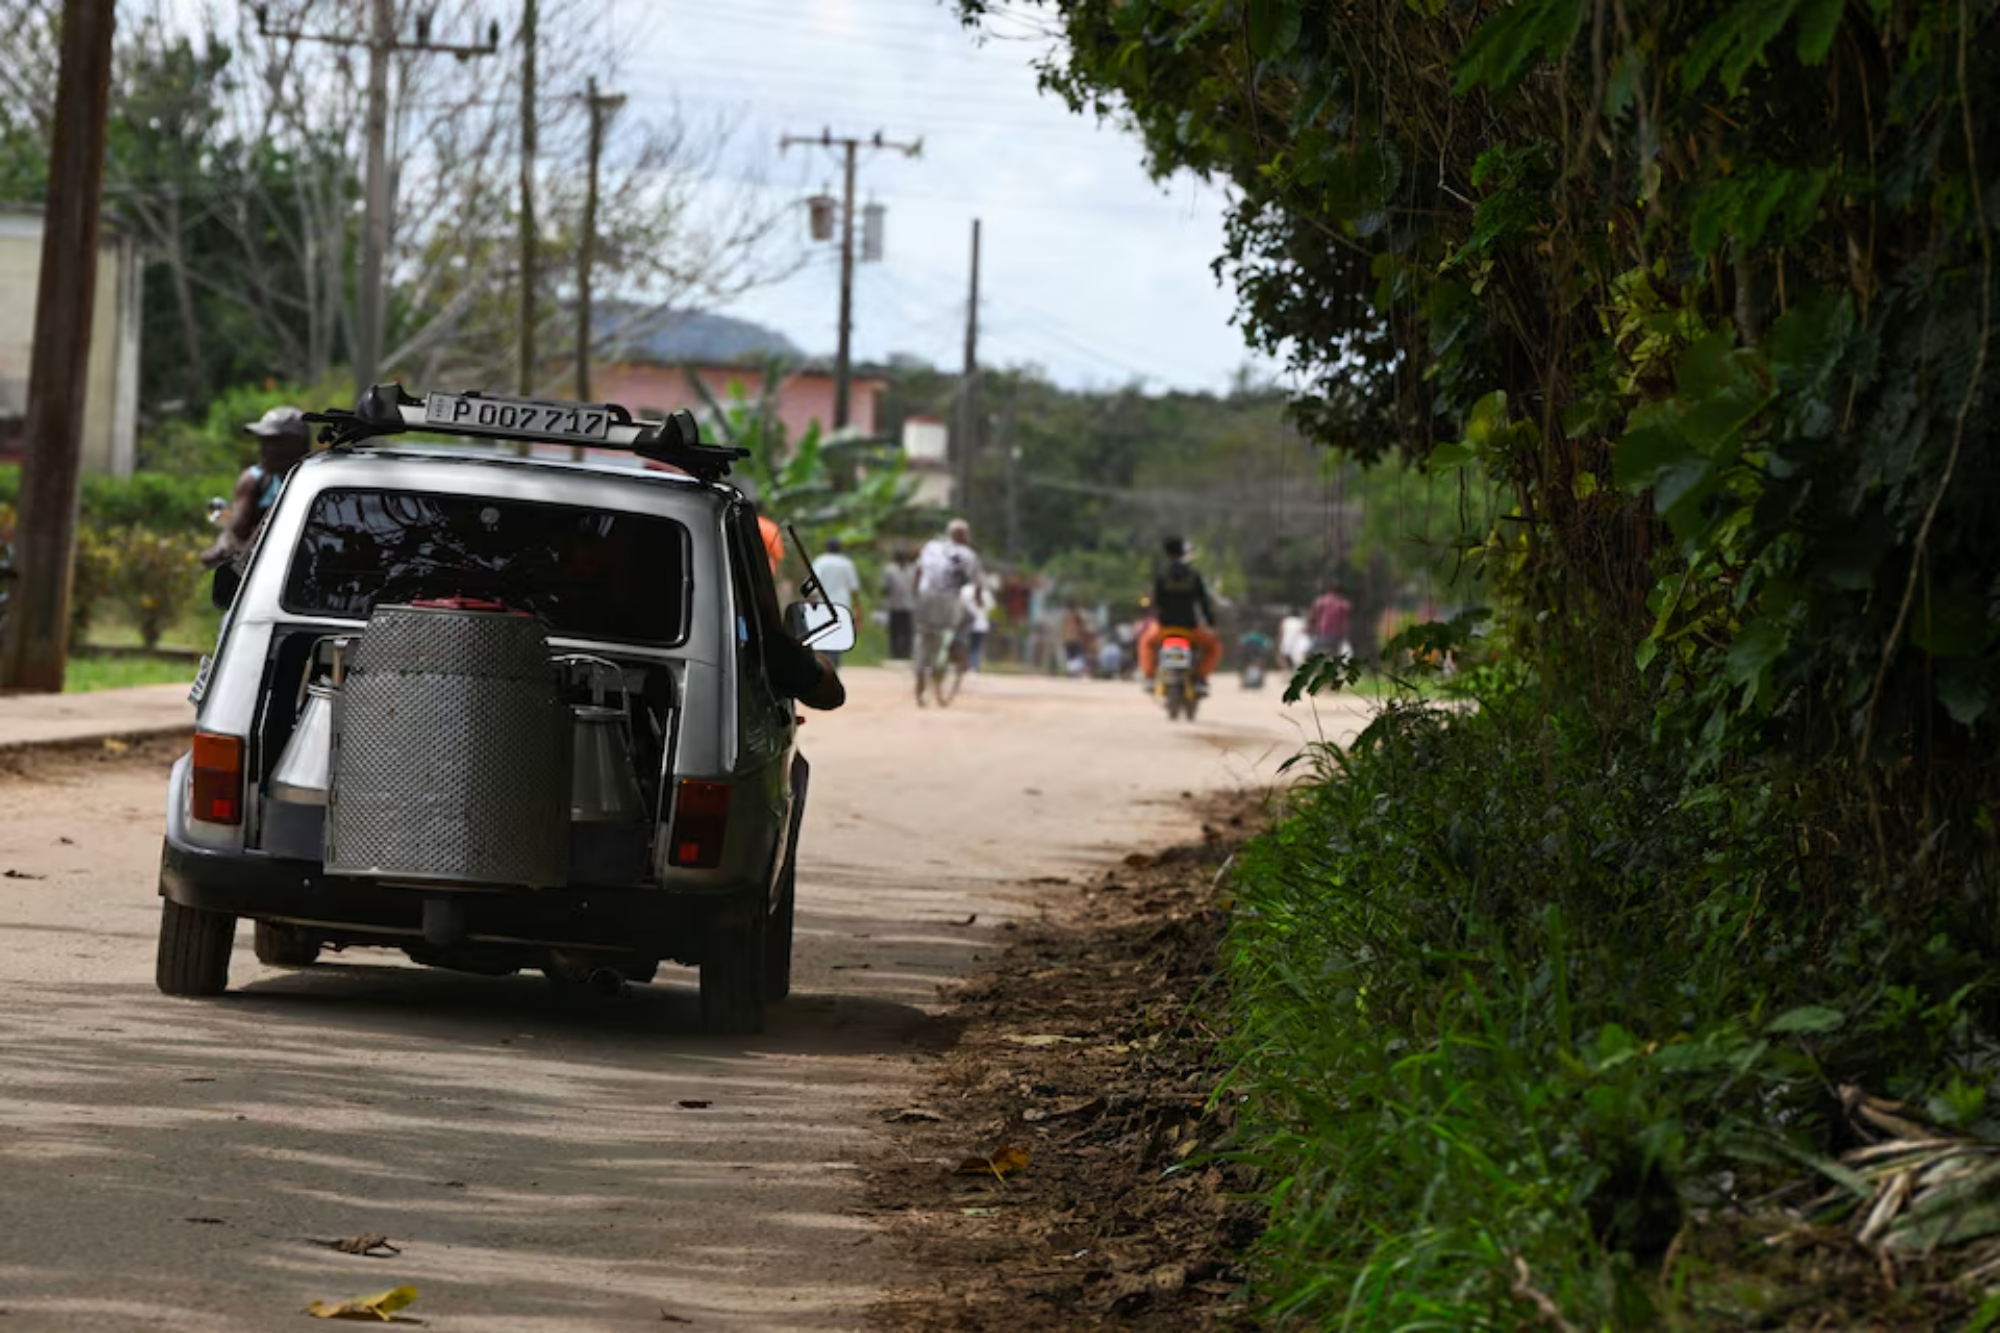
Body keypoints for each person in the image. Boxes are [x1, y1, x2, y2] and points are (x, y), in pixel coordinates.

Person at [201, 405, 313, 603]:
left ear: (296, 445)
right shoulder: (255, 480)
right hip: (261, 584)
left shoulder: (318, 481)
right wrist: (221, 548)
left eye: (273, 443)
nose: (263, 450)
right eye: (263, 442)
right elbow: (236, 530)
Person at [911, 517, 985, 705]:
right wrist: (978, 599)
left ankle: (920, 669)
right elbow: (978, 584)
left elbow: (918, 572)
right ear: (965, 536)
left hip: (926, 596)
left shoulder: (931, 547)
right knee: (966, 619)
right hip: (949, 600)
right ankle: (956, 648)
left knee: (924, 634)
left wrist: (915, 593)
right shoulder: (969, 554)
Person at [1137, 536, 1223, 694]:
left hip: (1164, 627)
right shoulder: (1194, 576)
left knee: (1146, 643)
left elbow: (1156, 602)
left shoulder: (1161, 576)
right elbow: (1204, 604)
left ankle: (1149, 677)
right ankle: (1200, 678)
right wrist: (1211, 625)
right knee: (1213, 647)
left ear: (1167, 553)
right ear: (1183, 552)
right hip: (1190, 627)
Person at [808, 536, 863, 670]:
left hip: (823, 606)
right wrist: (858, 608)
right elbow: (854, 589)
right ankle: (834, 668)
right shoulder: (847, 564)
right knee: (837, 641)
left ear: (826, 548)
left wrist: (810, 606)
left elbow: (812, 587)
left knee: (822, 639)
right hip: (842, 606)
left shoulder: (820, 562)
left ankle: (823, 668)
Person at [881, 547, 916, 660]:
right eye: (900, 557)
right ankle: (894, 653)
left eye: (904, 556)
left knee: (908, 631)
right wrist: (884, 602)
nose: (902, 559)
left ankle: (906, 653)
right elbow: (885, 588)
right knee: (894, 631)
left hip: (909, 605)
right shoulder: (889, 570)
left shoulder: (913, 569)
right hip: (894, 605)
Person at [1310, 584, 1353, 661]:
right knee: (1334, 656)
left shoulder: (1320, 601)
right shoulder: (1343, 604)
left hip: (1321, 633)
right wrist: (1346, 635)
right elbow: (1345, 622)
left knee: (1318, 656)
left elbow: (1313, 618)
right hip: (1336, 635)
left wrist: (1312, 629)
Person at [960, 577, 991, 672]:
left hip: (978, 625)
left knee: (974, 646)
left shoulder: (985, 593)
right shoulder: (966, 590)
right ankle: (967, 665)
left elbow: (990, 607)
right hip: (970, 624)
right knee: (969, 646)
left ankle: (972, 666)